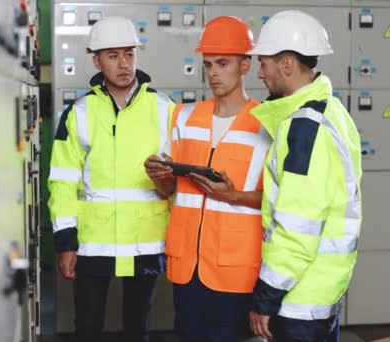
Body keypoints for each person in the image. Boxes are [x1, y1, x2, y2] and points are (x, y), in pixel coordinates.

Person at [144, 16, 272, 342]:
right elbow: (169, 190)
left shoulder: (267, 126)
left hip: (235, 271)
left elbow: (280, 200)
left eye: (223, 63)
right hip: (187, 269)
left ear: (246, 65)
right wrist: (159, 175)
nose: (213, 73)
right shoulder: (184, 117)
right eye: (208, 64)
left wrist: (233, 196)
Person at [48, 16, 175, 342]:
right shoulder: (78, 113)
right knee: (87, 327)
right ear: (97, 60)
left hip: (145, 241)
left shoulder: (164, 109)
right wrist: (66, 244)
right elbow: (62, 182)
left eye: (129, 54)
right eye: (113, 56)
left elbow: (179, 180)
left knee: (138, 327)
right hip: (93, 243)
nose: (124, 64)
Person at [245, 10, 363, 342]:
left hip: (299, 298)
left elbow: (299, 226)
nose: (260, 73)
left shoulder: (305, 127)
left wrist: (265, 298)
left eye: (264, 63)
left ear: (286, 64)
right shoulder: (332, 111)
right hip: (321, 291)